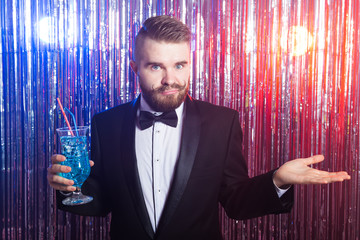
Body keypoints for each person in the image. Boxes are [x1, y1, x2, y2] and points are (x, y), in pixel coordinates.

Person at [47, 15, 350, 240]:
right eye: (156, 66)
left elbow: (235, 202)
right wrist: (69, 187)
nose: (171, 79)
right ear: (135, 68)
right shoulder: (106, 124)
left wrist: (278, 181)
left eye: (180, 65)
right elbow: (102, 203)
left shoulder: (222, 122)